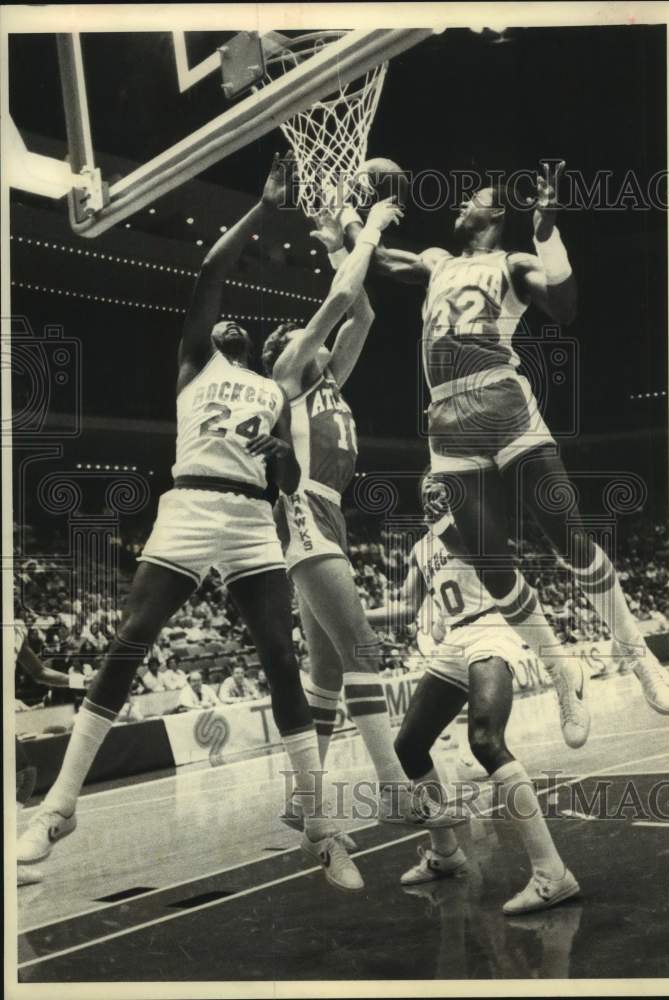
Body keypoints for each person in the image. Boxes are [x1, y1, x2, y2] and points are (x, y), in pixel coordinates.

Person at [16, 153, 386, 892]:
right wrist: (261, 208)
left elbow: (285, 479)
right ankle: (59, 807)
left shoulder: (276, 388)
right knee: (130, 638)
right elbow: (211, 273)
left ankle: (320, 822)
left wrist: (282, 454)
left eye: (247, 331)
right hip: (189, 503)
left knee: (281, 661)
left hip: (251, 518)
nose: (235, 330)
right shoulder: (195, 364)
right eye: (229, 328)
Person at [342, 161, 669, 746]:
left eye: (474, 197)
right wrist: (347, 217)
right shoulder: (438, 261)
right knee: (491, 565)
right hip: (447, 419)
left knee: (567, 533)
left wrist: (548, 235)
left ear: (495, 215)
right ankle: (559, 670)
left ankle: (637, 653)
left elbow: (565, 308)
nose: (461, 202)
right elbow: (379, 262)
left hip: (503, 400)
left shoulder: (512, 263)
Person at [262, 199, 463, 833]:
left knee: (324, 672)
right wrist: (366, 228)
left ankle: (302, 799)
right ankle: (394, 789)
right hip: (304, 514)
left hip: (330, 517)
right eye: (304, 333)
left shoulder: (330, 385)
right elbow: (344, 294)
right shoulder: (289, 373)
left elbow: (365, 309)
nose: (311, 336)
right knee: (364, 652)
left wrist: (333, 242)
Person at [366, 480, 579, 914]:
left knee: (484, 741)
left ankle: (552, 872)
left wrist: (445, 518)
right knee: (408, 744)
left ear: (453, 492)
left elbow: (476, 554)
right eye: (424, 486)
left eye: (439, 486)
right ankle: (445, 853)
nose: (430, 492)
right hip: (454, 641)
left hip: (492, 628)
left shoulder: (472, 524)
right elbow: (406, 608)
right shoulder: (421, 548)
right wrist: (351, 612)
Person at [13, 620, 86, 886]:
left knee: (22, 776)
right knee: (21, 776)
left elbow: (38, 672)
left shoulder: (15, 628)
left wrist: (82, 680)